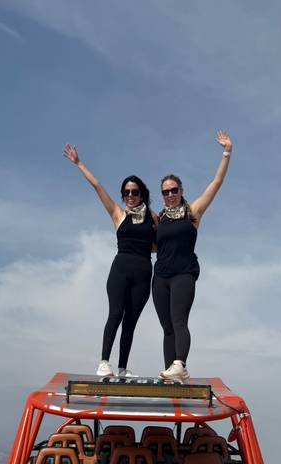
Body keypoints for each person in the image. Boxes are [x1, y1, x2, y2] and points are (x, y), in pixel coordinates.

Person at [63, 144, 156, 378]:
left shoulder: (153, 218)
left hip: (144, 272)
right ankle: (104, 362)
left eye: (135, 192)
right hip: (121, 270)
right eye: (126, 192)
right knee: (115, 313)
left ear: (141, 194)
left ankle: (123, 368)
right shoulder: (118, 214)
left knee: (131, 321)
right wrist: (78, 163)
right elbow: (97, 186)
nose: (130, 196)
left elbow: (160, 244)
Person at [152, 130, 233, 382]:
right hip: (160, 276)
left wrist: (226, 152)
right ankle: (170, 373)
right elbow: (151, 246)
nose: (169, 195)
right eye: (165, 192)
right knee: (166, 328)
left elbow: (216, 183)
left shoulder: (193, 211)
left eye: (173, 190)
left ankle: (181, 365)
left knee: (179, 320)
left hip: (184, 273)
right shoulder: (159, 219)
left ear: (181, 189)